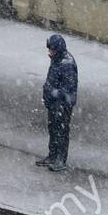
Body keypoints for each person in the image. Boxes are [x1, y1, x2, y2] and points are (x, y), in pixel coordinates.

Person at [37, 33, 78, 172]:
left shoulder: (67, 64)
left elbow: (69, 88)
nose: (49, 52)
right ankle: (53, 155)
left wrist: (54, 93)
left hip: (62, 104)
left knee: (61, 130)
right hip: (54, 103)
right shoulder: (57, 59)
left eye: (52, 50)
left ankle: (60, 158)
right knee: (53, 129)